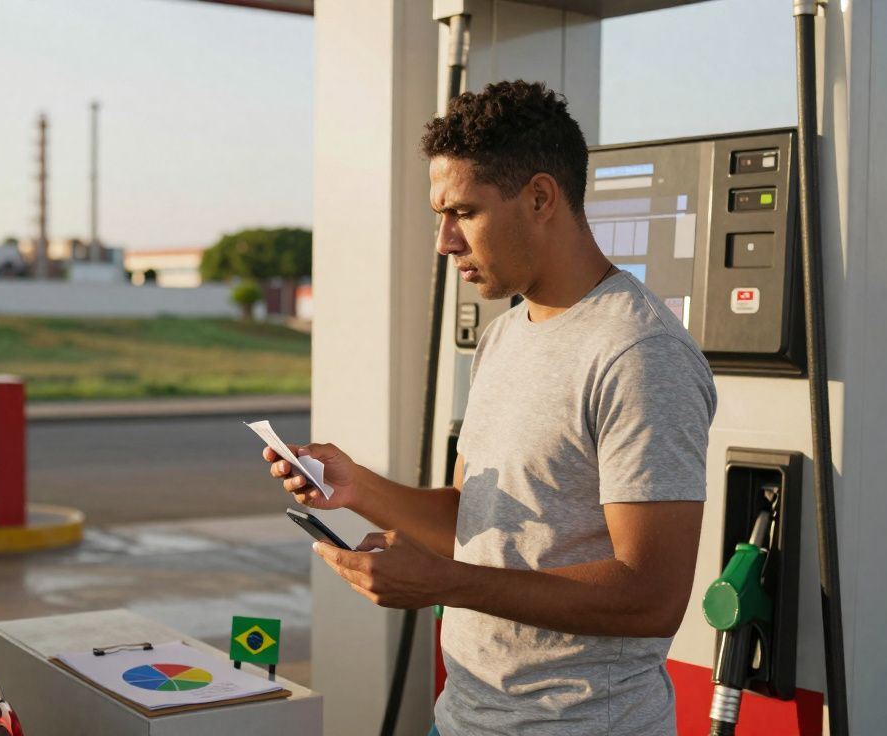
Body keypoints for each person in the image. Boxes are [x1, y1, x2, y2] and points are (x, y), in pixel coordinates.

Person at [263, 80, 716, 735]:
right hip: (464, 719)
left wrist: (447, 584)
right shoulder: (507, 334)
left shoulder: (639, 352)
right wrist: (356, 487)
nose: (445, 241)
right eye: (440, 217)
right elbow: (470, 522)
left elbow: (652, 596)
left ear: (539, 197)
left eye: (464, 213)